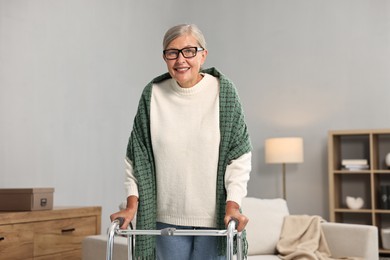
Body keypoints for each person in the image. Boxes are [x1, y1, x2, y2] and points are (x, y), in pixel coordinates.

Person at [110, 23, 252, 260]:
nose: (180, 60)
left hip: (214, 220)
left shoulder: (223, 92)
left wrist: (233, 205)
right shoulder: (153, 94)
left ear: (203, 54)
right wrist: (131, 205)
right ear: (164, 58)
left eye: (189, 51)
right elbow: (137, 157)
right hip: (164, 221)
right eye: (172, 53)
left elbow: (239, 157)